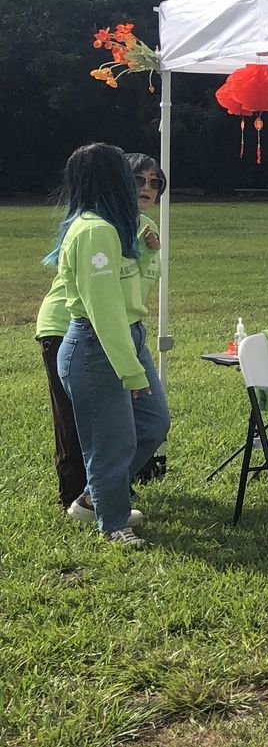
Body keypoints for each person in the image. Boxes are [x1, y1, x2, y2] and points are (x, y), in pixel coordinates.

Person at [47, 144, 171, 546]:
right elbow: (104, 312)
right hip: (96, 346)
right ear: (110, 178)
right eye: (127, 173)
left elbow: (133, 293)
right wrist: (131, 372)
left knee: (153, 423)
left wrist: (148, 251)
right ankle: (113, 522)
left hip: (127, 336)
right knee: (112, 441)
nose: (140, 185)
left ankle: (94, 497)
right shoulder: (94, 231)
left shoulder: (114, 227)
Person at [126, 154, 169, 482]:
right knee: (103, 426)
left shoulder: (149, 227)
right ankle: (96, 496)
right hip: (92, 330)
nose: (148, 188)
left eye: (155, 183)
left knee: (155, 421)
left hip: (133, 328)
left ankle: (105, 489)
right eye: (139, 180)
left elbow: (141, 283)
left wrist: (150, 252)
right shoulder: (103, 227)